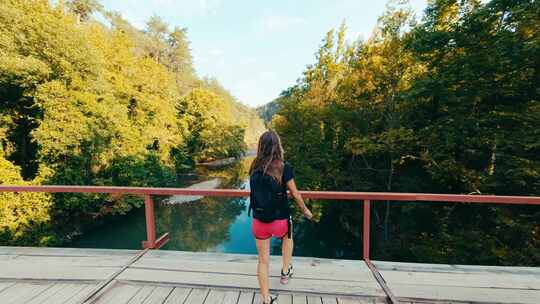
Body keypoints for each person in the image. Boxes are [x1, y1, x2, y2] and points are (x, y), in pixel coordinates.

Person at [248, 130, 313, 304]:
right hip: (280, 221)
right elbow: (295, 193)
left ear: (261, 146)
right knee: (287, 237)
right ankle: (285, 272)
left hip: (259, 221)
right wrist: (305, 210)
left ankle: (266, 298)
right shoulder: (284, 167)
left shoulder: (254, 167)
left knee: (263, 261)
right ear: (278, 146)